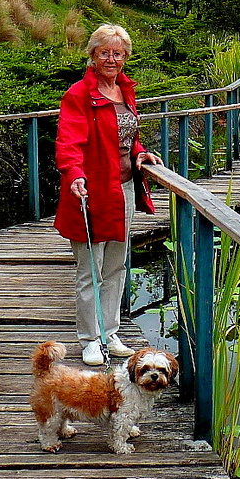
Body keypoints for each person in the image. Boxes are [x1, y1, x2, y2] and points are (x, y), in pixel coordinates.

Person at [54, 24, 161, 365]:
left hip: (124, 188)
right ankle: (89, 339)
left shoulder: (125, 91)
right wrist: (74, 173)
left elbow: (128, 136)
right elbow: (69, 141)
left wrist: (140, 153)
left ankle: (109, 332)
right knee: (90, 269)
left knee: (116, 264)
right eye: (104, 52)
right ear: (93, 55)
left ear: (125, 57)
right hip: (90, 190)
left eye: (118, 53)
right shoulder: (78, 95)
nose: (111, 58)